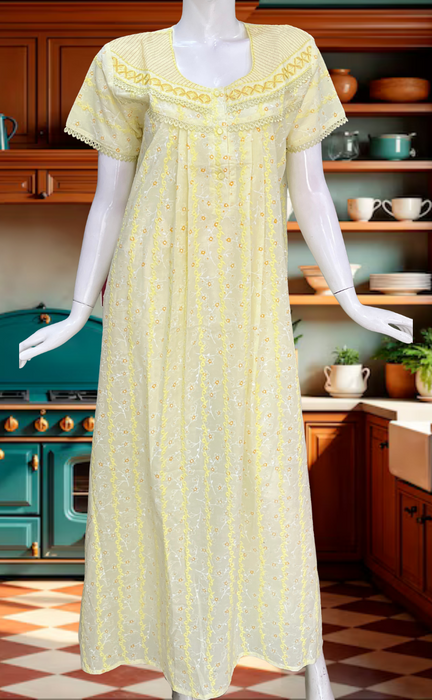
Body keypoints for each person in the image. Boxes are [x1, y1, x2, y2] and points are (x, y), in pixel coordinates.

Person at [19, 3, 412, 700]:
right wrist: (79, 310)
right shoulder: (126, 61)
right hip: (151, 300)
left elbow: (310, 188)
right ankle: (186, 664)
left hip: (248, 303)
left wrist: (351, 297)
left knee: (266, 471)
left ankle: (305, 652)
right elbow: (110, 200)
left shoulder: (292, 54)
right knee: (160, 471)